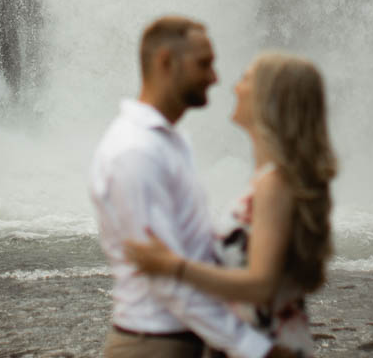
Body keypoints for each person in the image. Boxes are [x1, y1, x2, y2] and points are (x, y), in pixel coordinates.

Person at [89, 16, 289, 358]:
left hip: (184, 339)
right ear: (165, 61)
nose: (215, 78)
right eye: (204, 64)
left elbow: (185, 256)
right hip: (154, 344)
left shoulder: (172, 141)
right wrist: (254, 348)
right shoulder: (136, 151)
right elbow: (165, 279)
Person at [124, 51, 337, 357]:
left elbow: (261, 285)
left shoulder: (274, 183)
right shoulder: (272, 178)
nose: (234, 87)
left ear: (271, 98)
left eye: (246, 79)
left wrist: (173, 266)